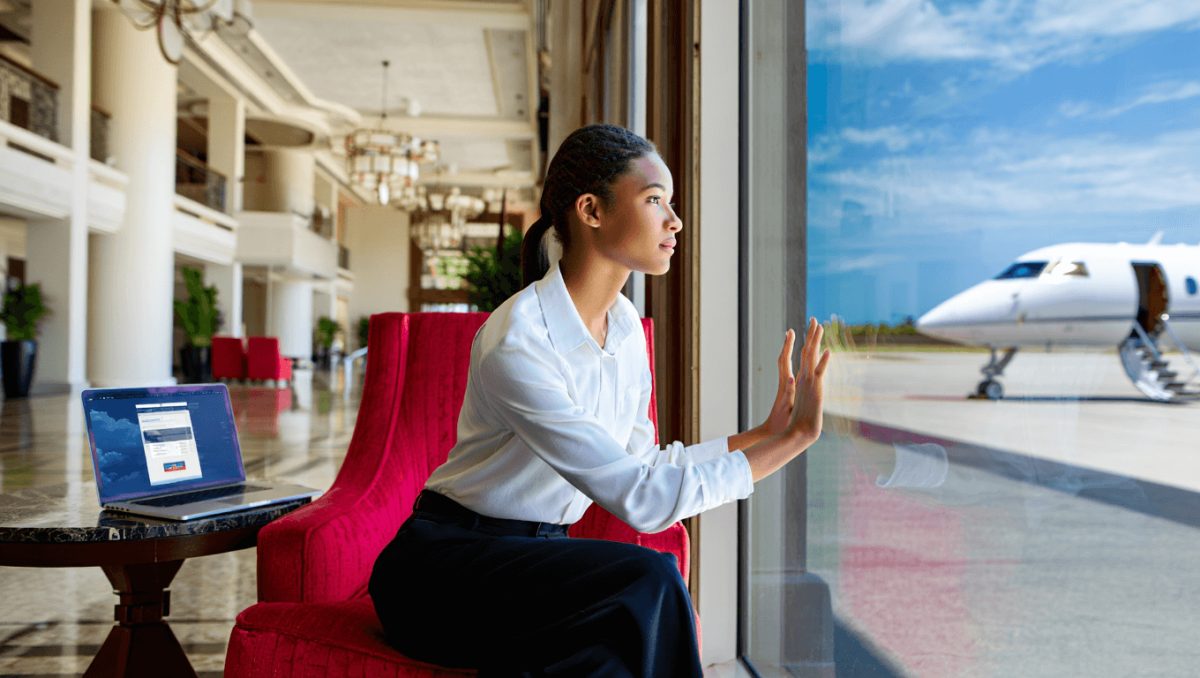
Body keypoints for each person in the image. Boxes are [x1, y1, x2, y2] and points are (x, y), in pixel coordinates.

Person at [368, 124, 831, 677]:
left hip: (539, 566)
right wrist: (795, 441)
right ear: (591, 210)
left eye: (671, 203)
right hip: (443, 572)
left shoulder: (626, 327)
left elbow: (645, 465)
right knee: (650, 579)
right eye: (654, 200)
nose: (675, 220)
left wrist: (765, 435)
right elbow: (643, 500)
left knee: (611, 659)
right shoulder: (519, 340)